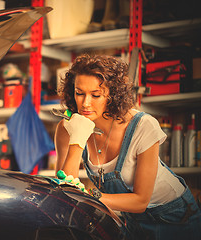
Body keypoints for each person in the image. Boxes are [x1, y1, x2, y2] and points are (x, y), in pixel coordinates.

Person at [54, 54, 201, 239]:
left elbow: (141, 200)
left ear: (112, 95)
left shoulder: (142, 125)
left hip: (176, 217)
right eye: (79, 93)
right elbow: (65, 191)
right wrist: (77, 138)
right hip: (132, 220)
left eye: (96, 95)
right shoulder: (67, 128)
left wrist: (90, 197)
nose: (85, 103)